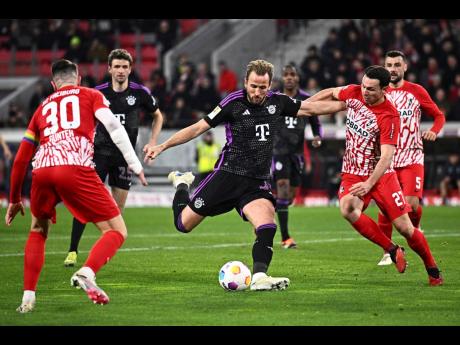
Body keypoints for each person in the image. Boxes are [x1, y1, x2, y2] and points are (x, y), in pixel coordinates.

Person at [143, 59, 333, 291]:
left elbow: (312, 108)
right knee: (183, 225)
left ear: (270, 85)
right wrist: (162, 146)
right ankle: (182, 183)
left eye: (262, 87)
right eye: (253, 86)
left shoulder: (277, 102)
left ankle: (260, 277)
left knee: (266, 225)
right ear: (245, 82)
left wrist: (352, 103)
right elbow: (197, 128)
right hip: (227, 176)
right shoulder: (232, 103)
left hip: (256, 182)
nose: (257, 92)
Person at [5, 59, 148, 313]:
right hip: (74, 168)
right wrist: (135, 164)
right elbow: (114, 126)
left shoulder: (41, 108)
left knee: (37, 230)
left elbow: (20, 159)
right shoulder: (90, 95)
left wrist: (14, 198)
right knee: (117, 231)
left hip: (42, 170)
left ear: (53, 85)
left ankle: (27, 299)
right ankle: (87, 272)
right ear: (78, 79)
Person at [303, 65, 443, 286]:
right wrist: (304, 105)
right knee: (348, 208)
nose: (365, 91)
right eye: (363, 85)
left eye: (371, 89)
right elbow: (331, 92)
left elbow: (387, 156)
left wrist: (369, 184)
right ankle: (392, 249)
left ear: (384, 90)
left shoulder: (389, 116)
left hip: (381, 176)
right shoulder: (356, 92)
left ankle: (432, 269)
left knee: (405, 228)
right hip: (352, 172)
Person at [64, 49, 164, 267]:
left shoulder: (139, 93)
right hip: (98, 154)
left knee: (117, 211)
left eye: (124, 67)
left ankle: (104, 249)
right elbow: (81, 118)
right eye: (116, 66)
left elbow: (158, 116)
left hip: (123, 158)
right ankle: (72, 250)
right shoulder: (97, 93)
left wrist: (153, 141)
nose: (120, 71)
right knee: (85, 202)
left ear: (130, 69)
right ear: (109, 69)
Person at [376, 50, 445, 266]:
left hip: (412, 156)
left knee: (411, 205)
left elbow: (439, 115)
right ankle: (388, 252)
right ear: (384, 68)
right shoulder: (379, 92)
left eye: (397, 64)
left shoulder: (416, 91)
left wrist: (434, 130)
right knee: (386, 207)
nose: (393, 69)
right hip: (388, 158)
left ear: (405, 67)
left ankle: (414, 233)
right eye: (389, 65)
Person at [272, 64, 323, 249]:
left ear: (297, 78)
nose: (289, 78)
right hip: (278, 151)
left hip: (297, 153)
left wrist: (317, 135)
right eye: (285, 75)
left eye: (292, 74)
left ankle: (266, 212)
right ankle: (286, 238)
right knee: (283, 190)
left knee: (290, 197)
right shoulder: (275, 98)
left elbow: (315, 120)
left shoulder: (305, 99)